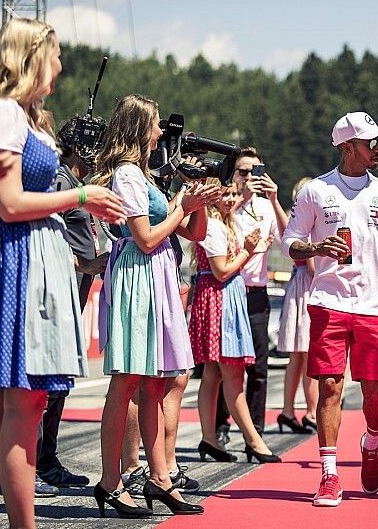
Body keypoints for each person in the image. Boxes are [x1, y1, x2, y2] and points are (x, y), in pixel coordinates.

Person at [0, 18, 125, 529]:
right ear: (31, 57)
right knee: (22, 405)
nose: (61, 65)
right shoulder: (5, 114)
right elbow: (7, 205)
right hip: (18, 256)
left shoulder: (26, 118)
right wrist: (83, 195)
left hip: (32, 255)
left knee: (18, 405)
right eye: (56, 54)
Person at [92, 94, 218, 518]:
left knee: (155, 381)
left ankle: (159, 477)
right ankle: (112, 481)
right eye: (156, 123)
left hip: (156, 276)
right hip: (139, 274)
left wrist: (198, 205)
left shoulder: (142, 176)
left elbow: (194, 234)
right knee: (128, 380)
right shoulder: (127, 175)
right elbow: (145, 238)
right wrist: (182, 205)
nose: (162, 131)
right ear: (139, 128)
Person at [281, 111, 378, 507]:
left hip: (374, 304)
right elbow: (290, 241)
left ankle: (372, 442)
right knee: (331, 387)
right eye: (372, 141)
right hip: (329, 300)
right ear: (347, 146)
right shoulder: (316, 191)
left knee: (375, 391)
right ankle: (330, 475)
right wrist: (317, 248)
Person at [32, 117, 111, 495]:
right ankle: (29, 462)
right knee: (43, 381)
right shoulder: (63, 183)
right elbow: (47, 232)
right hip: (57, 290)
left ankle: (45, 460)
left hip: (74, 294)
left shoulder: (81, 184)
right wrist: (87, 265)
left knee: (59, 381)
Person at [189, 181, 281, 464]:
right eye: (225, 194)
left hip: (219, 297)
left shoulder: (223, 224)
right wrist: (250, 250)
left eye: (233, 194)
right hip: (221, 298)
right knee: (231, 376)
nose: (230, 199)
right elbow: (221, 271)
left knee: (214, 375)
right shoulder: (215, 227)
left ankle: (210, 438)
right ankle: (253, 440)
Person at [214, 147, 287, 441]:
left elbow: (287, 240)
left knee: (258, 367)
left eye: (254, 171)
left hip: (256, 293)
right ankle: (220, 426)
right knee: (224, 366)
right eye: (243, 171)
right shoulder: (227, 204)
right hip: (230, 290)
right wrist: (241, 198)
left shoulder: (267, 207)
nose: (249, 177)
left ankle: (255, 433)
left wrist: (274, 198)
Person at [277, 177, 319, 435]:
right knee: (308, 354)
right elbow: (314, 268)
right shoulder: (312, 225)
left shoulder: (298, 224)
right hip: (309, 288)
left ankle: (288, 409)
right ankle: (312, 412)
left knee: (297, 355)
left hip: (298, 286)